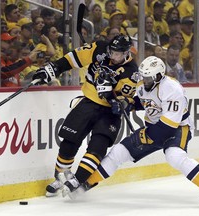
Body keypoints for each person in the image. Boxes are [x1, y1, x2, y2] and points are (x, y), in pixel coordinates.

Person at [69, 56, 199, 207]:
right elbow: (144, 101)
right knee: (118, 152)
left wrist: (146, 135)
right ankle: (85, 185)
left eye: (148, 77)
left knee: (174, 155)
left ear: (159, 76)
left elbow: (168, 127)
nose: (145, 80)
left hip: (177, 128)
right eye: (143, 77)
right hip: (154, 127)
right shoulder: (144, 84)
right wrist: (128, 103)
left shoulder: (172, 89)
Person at [32, 34, 139, 197]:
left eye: (118, 54)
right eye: (112, 52)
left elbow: (124, 104)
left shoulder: (131, 72)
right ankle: (60, 177)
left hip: (109, 114)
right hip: (88, 102)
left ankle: (78, 180)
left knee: (97, 148)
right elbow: (75, 58)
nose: (113, 56)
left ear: (126, 53)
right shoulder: (100, 49)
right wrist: (54, 68)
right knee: (69, 142)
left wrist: (111, 96)